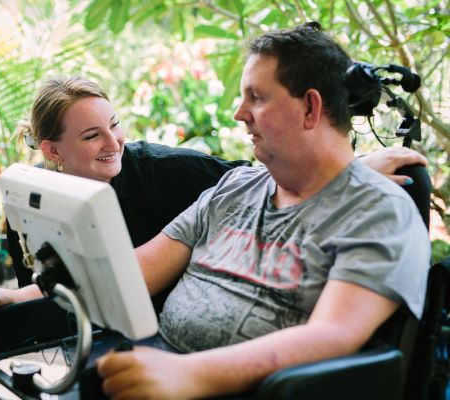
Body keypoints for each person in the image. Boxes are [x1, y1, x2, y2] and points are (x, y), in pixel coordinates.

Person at [92, 22, 430, 399]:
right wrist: (27, 295)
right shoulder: (234, 187)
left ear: (310, 108)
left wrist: (188, 374)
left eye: (256, 97)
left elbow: (333, 335)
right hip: (154, 370)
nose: (239, 113)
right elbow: (133, 273)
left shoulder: (378, 211)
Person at [0, 73, 425, 336]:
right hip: (109, 327)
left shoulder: (169, 170)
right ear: (53, 151)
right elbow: (66, 287)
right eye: (93, 136)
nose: (113, 141)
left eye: (115, 125)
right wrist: (2, 299)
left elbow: (259, 179)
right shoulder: (35, 206)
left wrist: (354, 167)